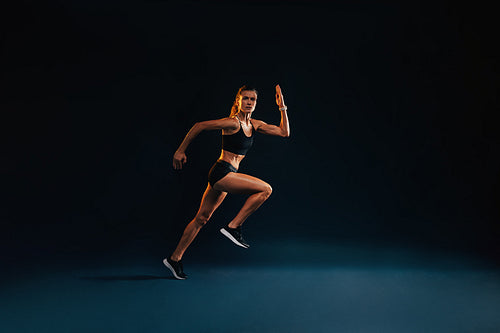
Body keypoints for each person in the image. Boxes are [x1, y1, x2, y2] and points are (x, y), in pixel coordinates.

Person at [163, 84, 290, 279]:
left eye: (252, 99)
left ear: (256, 103)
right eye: (245, 98)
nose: (249, 102)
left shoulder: (254, 125)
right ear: (238, 101)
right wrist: (180, 151)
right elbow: (199, 126)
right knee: (265, 189)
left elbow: (284, 132)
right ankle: (233, 227)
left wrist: (282, 107)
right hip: (222, 172)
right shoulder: (232, 123)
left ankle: (174, 258)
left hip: (228, 174)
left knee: (201, 218)